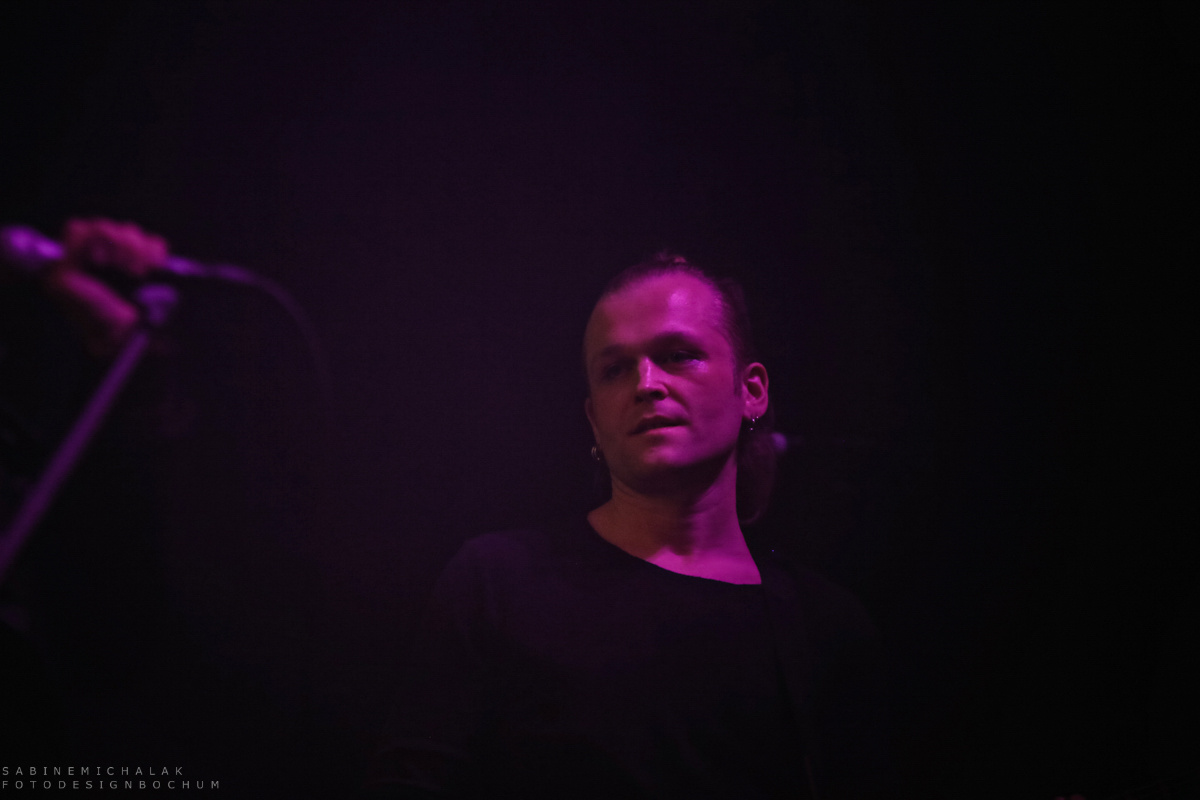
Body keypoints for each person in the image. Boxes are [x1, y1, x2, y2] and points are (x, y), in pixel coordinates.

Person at [366, 254, 893, 799]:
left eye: (678, 355)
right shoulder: (496, 584)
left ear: (752, 390)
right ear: (594, 419)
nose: (646, 384)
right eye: (615, 369)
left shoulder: (823, 626)